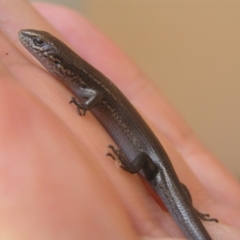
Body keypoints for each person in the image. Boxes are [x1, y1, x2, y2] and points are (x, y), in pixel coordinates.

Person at [0, 1, 239, 239]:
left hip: (152, 166)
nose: (31, 41)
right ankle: (192, 210)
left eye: (39, 43)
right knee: (180, 191)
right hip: (158, 169)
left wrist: (85, 109)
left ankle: (185, 206)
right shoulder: (76, 75)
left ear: (57, 59)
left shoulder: (84, 84)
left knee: (162, 179)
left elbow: (94, 95)